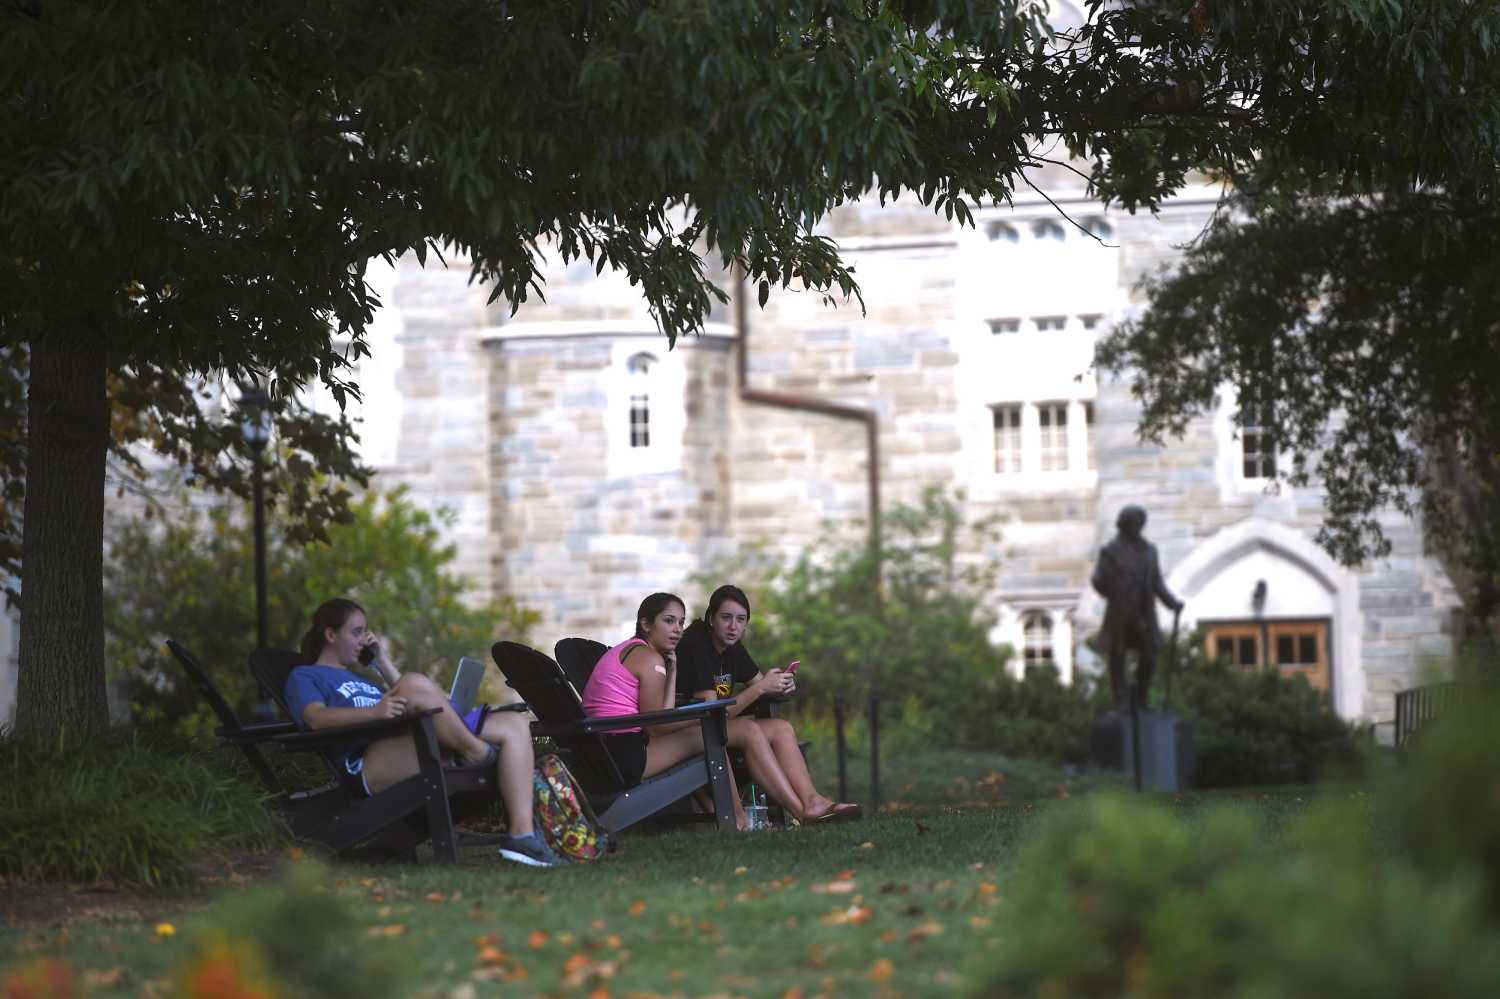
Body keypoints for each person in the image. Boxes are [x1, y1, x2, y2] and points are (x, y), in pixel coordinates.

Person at [286, 598, 560, 867]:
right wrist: (375, 712)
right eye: (356, 632)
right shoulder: (305, 676)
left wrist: (381, 661)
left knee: (513, 723)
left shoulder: (361, 680)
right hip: (366, 764)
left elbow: (413, 697)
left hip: (408, 743)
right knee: (413, 682)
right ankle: (475, 752)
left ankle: (522, 837)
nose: (362, 640)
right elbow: (315, 718)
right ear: (331, 634)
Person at [676, 584, 861, 824]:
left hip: (715, 727)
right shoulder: (696, 645)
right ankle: (802, 812)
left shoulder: (732, 647)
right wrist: (762, 688)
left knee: (781, 727)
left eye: (741, 620)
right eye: (726, 618)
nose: (734, 626)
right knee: (750, 730)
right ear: (711, 618)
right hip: (684, 729)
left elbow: (761, 686)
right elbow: (711, 713)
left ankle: (813, 800)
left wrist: (781, 686)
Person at [577, 592, 744, 814]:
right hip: (623, 754)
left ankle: (714, 810)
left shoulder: (631, 650)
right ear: (646, 624)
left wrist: (672, 670)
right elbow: (656, 727)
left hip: (602, 749)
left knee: (701, 733)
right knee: (707, 736)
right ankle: (738, 818)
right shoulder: (649, 659)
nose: (678, 629)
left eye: (681, 622)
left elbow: (661, 715)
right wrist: (699, 718)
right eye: (669, 621)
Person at [1090, 505, 1185, 709]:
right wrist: (1115, 594)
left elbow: (1157, 582)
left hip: (1144, 613)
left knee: (1149, 655)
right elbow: (1098, 580)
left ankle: (1142, 698)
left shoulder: (1150, 551)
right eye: (1134, 523)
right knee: (1118, 655)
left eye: (1140, 523)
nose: (1138, 527)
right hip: (1121, 614)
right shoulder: (1111, 551)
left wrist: (1172, 603)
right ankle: (1120, 699)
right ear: (1124, 525)